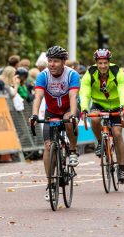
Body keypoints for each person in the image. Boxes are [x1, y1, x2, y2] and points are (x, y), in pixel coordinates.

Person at [29, 46, 80, 201]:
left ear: (63, 62)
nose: (52, 64)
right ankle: (50, 184)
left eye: (56, 61)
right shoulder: (43, 76)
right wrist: (35, 115)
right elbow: (37, 97)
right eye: (50, 61)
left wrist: (72, 114)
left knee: (69, 122)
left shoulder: (72, 74)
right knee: (48, 146)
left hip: (68, 109)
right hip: (51, 112)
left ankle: (72, 151)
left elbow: (73, 97)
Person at [79, 49, 124, 183]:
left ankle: (121, 169)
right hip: (99, 103)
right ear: (96, 63)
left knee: (117, 134)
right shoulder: (90, 73)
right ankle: (100, 143)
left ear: (109, 62)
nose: (103, 66)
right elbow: (84, 91)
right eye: (100, 63)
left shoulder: (117, 72)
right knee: (94, 119)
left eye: (105, 63)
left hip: (116, 104)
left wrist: (123, 105)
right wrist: (84, 108)